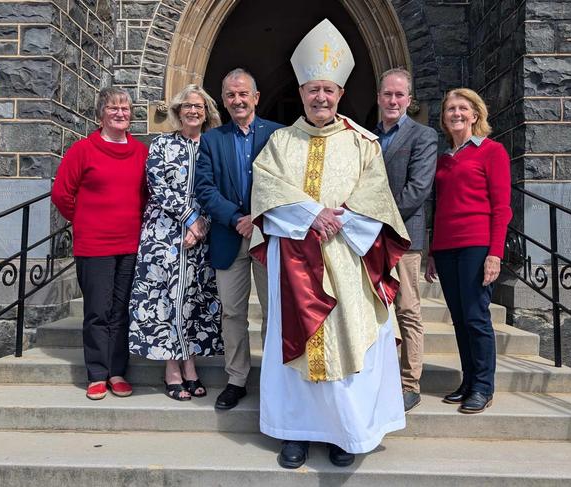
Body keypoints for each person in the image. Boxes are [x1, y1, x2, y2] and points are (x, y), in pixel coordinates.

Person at [250, 19, 410, 469]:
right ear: (301, 92)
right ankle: (295, 433)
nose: (320, 96)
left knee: (348, 341)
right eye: (312, 89)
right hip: (295, 263)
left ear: (340, 93)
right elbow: (264, 191)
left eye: (329, 89)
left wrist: (341, 220)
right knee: (296, 345)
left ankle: (346, 433)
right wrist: (309, 214)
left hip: (348, 261)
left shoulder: (364, 144)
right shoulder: (279, 143)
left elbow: (377, 195)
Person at [52, 87, 148, 400]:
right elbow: (61, 194)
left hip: (130, 244)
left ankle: (117, 371)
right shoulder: (83, 150)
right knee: (97, 311)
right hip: (94, 245)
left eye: (125, 108)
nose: (120, 113)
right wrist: (82, 222)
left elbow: (146, 197)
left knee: (121, 311)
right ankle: (96, 373)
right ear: (100, 114)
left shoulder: (140, 152)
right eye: (113, 108)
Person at [194, 68, 282, 410]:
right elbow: (205, 188)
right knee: (232, 313)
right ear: (224, 100)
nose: (237, 100)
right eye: (230, 95)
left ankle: (275, 376)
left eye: (243, 93)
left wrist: (258, 218)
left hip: (269, 236)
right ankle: (237, 379)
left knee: (274, 311)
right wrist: (235, 218)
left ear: (256, 98)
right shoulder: (212, 140)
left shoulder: (279, 135)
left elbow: (286, 184)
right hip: (229, 237)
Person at [129, 84, 223, 401]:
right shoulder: (163, 144)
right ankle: (173, 368)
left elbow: (219, 188)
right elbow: (157, 185)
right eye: (186, 106)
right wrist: (189, 219)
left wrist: (202, 225)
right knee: (169, 299)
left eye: (198, 106)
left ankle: (191, 364)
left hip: (202, 234)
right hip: (164, 233)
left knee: (193, 300)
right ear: (178, 111)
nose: (193, 111)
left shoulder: (213, 145)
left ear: (207, 111)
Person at [425, 88, 512, 414]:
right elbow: (440, 207)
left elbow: (502, 207)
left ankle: (483, 386)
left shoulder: (492, 152)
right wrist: (433, 251)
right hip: (447, 248)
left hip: (476, 245)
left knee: (476, 317)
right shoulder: (445, 158)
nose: (456, 113)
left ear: (476, 115)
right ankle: (468, 379)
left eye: (463, 108)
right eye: (450, 109)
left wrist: (495, 253)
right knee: (459, 319)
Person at [375, 68, 437, 412]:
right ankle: (381, 378)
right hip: (369, 240)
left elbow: (418, 189)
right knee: (375, 311)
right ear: (379, 97)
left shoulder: (423, 136)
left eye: (400, 95)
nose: (393, 100)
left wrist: (374, 217)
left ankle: (409, 383)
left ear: (409, 101)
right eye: (388, 94)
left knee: (408, 310)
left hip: (404, 239)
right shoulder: (366, 137)